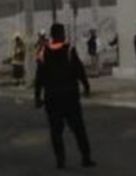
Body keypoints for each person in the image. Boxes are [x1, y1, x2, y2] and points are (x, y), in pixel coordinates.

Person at [34, 23, 97, 170]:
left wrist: (37, 97)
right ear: (61, 34)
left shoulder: (44, 52)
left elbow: (39, 78)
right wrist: (86, 86)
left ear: (52, 35)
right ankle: (86, 157)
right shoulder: (69, 50)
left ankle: (60, 161)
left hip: (52, 98)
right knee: (78, 129)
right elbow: (79, 70)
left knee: (56, 131)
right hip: (70, 97)